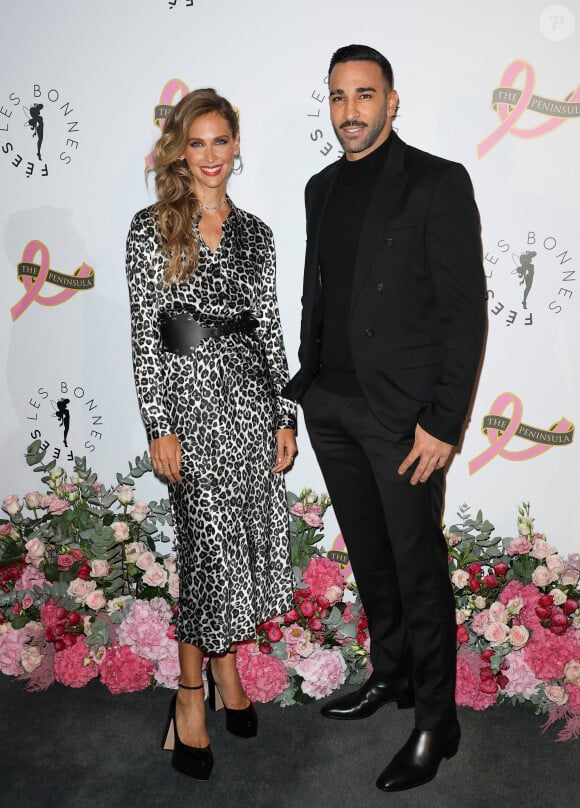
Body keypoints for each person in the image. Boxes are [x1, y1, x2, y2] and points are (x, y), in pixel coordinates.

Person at [283, 44, 486, 792]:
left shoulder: (436, 183)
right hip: (330, 404)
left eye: (364, 95)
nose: (350, 112)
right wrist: (304, 389)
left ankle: (437, 718)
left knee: (417, 568)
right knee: (372, 559)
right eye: (337, 98)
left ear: (391, 101)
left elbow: (466, 313)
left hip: (404, 418)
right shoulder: (319, 188)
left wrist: (443, 420)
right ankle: (393, 675)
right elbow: (323, 293)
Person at [125, 88, 297, 781]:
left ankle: (227, 671)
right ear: (178, 149)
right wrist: (159, 426)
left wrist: (286, 414)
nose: (209, 156)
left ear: (236, 146)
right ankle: (189, 698)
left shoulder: (257, 232)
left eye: (220, 141)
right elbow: (144, 336)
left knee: (240, 549)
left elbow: (272, 327)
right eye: (195, 142)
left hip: (251, 405)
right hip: (190, 408)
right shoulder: (151, 227)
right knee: (205, 553)